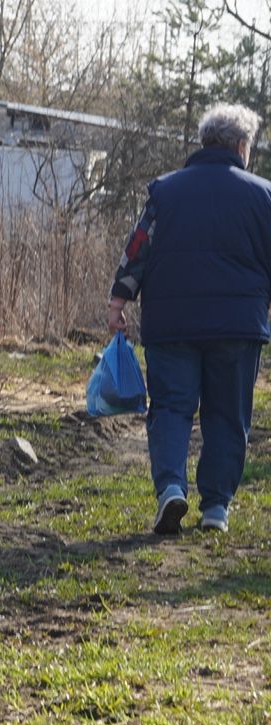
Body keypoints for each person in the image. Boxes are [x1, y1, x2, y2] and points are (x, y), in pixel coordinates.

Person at [108, 103, 271, 535]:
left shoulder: (167, 191)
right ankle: (216, 507)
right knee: (227, 414)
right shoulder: (263, 195)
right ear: (241, 146)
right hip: (238, 325)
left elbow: (138, 247)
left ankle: (171, 489)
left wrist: (119, 300)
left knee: (172, 409)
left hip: (172, 322)